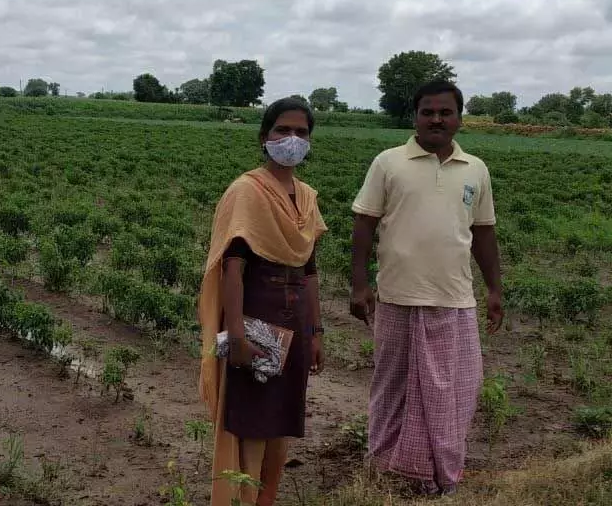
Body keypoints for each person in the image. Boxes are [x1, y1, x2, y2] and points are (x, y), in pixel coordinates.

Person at [350, 79, 504, 497]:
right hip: (398, 296)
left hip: (455, 299)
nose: (437, 119)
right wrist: (359, 285)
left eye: (445, 112)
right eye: (428, 112)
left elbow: (484, 232)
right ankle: (386, 466)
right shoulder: (388, 163)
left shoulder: (475, 169)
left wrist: (494, 289)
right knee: (393, 387)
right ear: (414, 116)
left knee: (457, 388)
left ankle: (438, 469)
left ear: (459, 117)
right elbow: (364, 224)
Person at [198, 97, 328, 506]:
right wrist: (235, 333)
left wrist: (316, 332)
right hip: (258, 316)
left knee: (281, 420)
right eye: (282, 131)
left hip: (296, 317)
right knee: (253, 418)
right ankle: (240, 499)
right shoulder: (247, 191)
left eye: (301, 133)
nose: (292, 140)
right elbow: (232, 267)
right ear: (264, 137)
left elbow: (309, 271)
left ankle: (264, 500)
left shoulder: (306, 198)